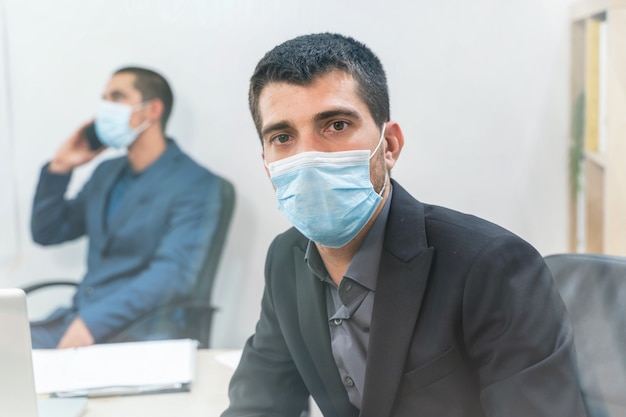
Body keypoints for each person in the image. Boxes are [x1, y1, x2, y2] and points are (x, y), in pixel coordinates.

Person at [222, 33, 586, 417]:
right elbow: (258, 404)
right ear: (267, 163)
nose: (308, 156)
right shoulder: (287, 257)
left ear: (390, 145)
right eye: (282, 137)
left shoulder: (493, 265)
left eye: (336, 125)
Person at [30, 66, 224, 349]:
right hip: (78, 318)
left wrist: (92, 323)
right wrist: (61, 166)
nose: (106, 107)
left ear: (152, 110)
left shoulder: (197, 184)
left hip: (137, 330)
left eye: (117, 97)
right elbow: (48, 231)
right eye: (104, 98)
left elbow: (173, 274)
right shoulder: (107, 172)